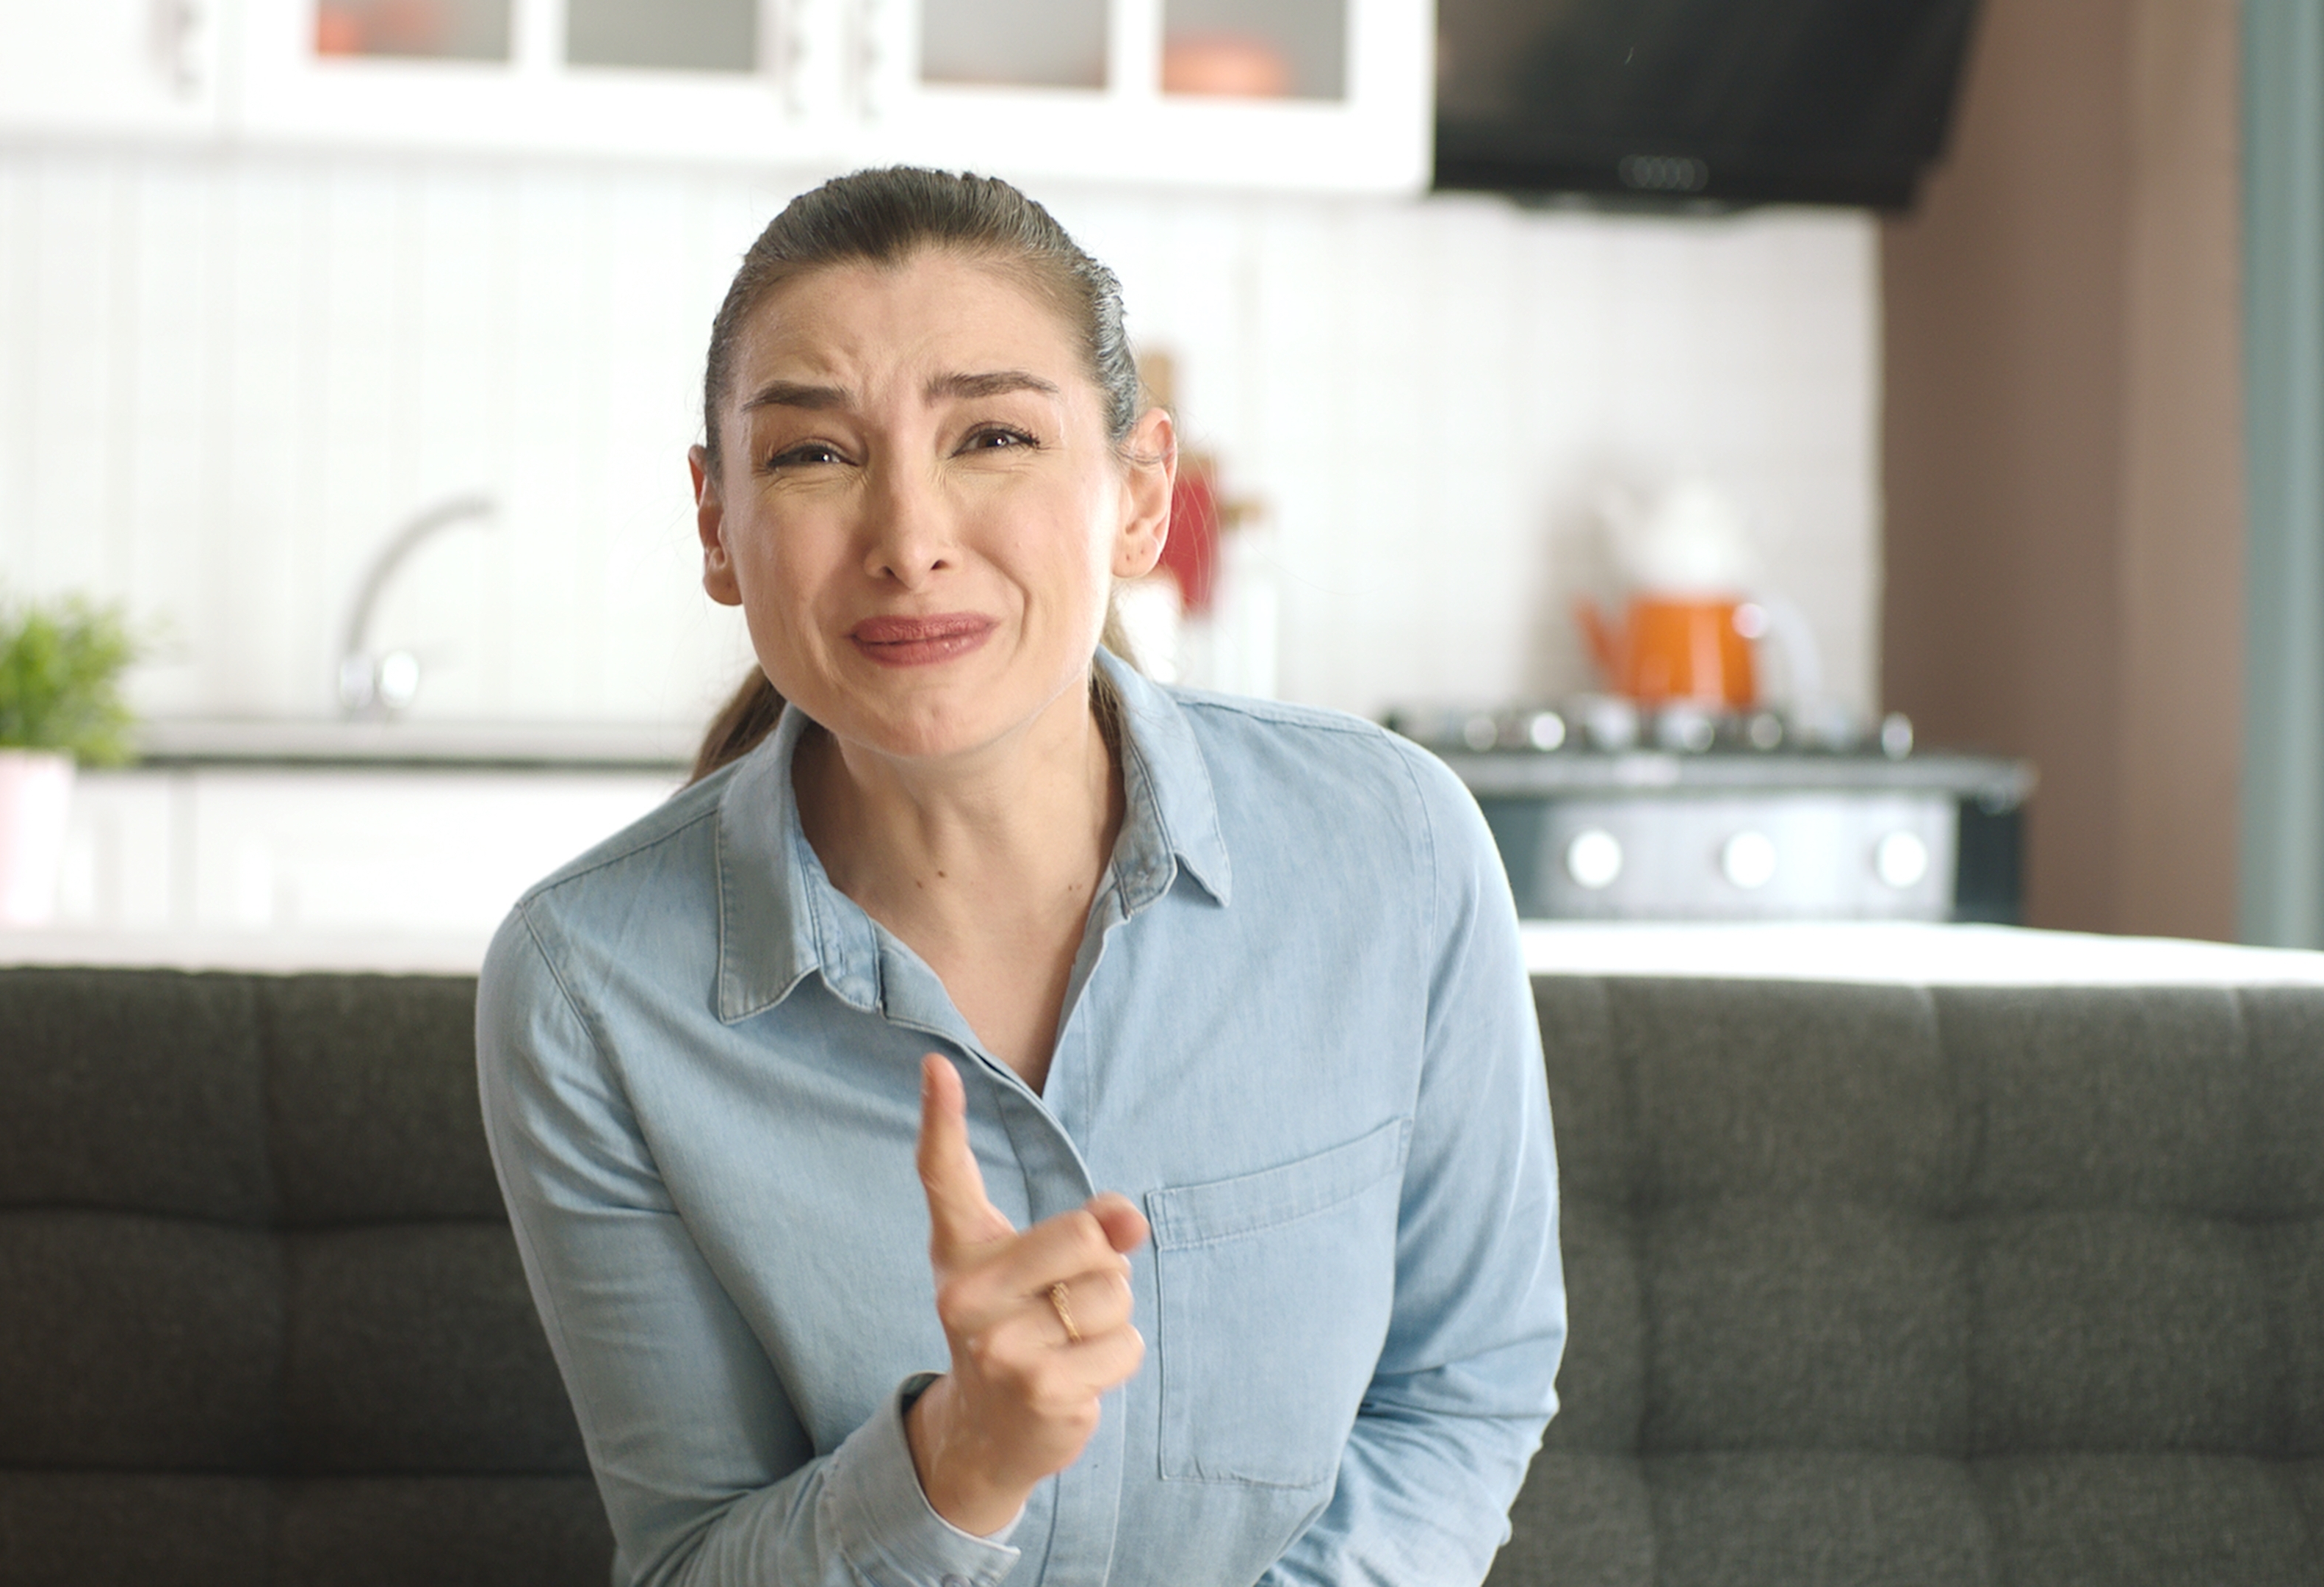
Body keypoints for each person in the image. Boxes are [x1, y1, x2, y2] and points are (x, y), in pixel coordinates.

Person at [477, 166, 1563, 1587]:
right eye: (815, 455)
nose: (911, 540)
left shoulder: (1396, 845)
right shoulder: (586, 987)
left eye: (991, 435)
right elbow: (688, 1563)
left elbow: (1458, 1396)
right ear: (715, 525)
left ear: (1141, 498)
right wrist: (957, 1466)